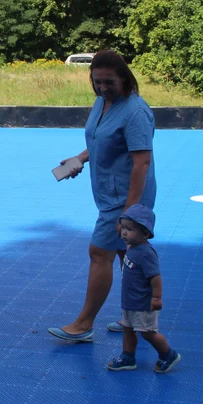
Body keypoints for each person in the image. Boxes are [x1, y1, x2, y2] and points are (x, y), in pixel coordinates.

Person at [49, 49, 156, 342]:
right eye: (97, 81)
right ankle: (139, 317)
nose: (103, 87)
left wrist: (129, 213)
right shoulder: (102, 102)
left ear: (124, 78)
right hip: (109, 193)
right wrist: (80, 158)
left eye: (109, 82)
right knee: (128, 253)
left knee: (99, 253)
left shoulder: (135, 112)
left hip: (126, 197)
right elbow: (100, 139)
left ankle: (84, 325)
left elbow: (141, 162)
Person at [106, 204, 181, 373]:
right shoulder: (131, 247)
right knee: (128, 329)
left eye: (130, 229)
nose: (124, 232)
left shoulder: (146, 253)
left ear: (145, 233)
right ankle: (128, 357)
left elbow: (155, 277)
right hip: (130, 301)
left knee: (148, 332)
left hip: (143, 304)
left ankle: (168, 354)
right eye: (123, 227)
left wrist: (156, 298)